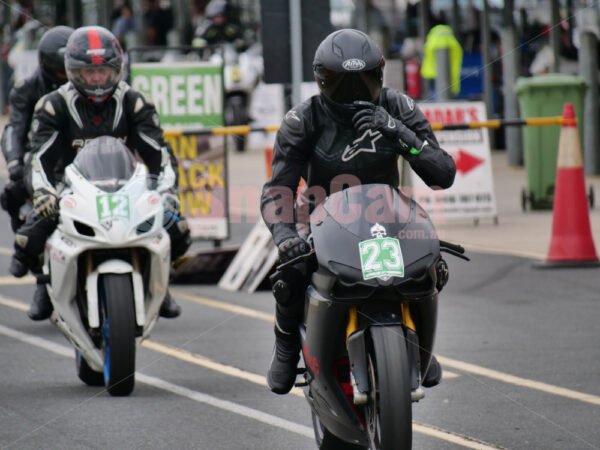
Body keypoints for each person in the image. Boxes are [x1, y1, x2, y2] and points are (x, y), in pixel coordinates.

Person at [260, 29, 456, 395]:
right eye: (341, 84)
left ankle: (421, 343)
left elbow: (442, 174)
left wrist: (400, 134)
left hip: (386, 211)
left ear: (380, 76)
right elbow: (278, 189)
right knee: (291, 270)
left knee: (431, 261)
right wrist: (286, 237)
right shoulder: (302, 121)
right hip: (320, 214)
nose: (354, 93)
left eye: (364, 81)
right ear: (321, 80)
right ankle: (286, 344)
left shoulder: (398, 108)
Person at [9, 26, 190, 321]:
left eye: (103, 71)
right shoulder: (53, 105)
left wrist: (166, 190)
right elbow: (39, 157)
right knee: (29, 237)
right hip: (65, 188)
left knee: (178, 228)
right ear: (73, 71)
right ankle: (45, 284)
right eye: (88, 72)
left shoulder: (135, 101)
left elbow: (160, 153)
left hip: (125, 185)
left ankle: (160, 283)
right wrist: (44, 192)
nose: (96, 79)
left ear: (116, 69)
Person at [1, 26, 74, 233]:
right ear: (45, 64)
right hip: (40, 160)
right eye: (60, 71)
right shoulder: (26, 88)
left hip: (79, 162)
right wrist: (16, 162)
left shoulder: (84, 86)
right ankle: (22, 257)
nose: (65, 76)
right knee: (13, 193)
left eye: (69, 70)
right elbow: (14, 128)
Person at [420, 22, 463, 99]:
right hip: (446, 78)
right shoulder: (452, 42)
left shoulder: (432, 40)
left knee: (433, 98)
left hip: (431, 75)